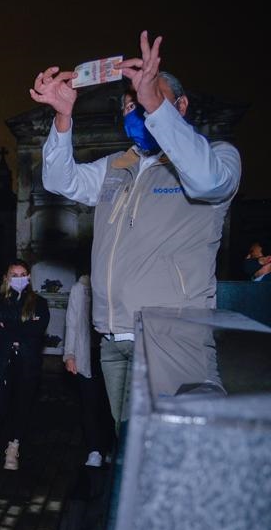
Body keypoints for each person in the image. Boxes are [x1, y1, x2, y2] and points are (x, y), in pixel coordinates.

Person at [31, 30, 242, 432]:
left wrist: (155, 107)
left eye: (149, 98)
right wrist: (62, 119)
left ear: (179, 106)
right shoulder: (118, 165)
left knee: (176, 447)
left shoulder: (216, 156)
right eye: (132, 102)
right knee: (129, 450)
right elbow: (62, 180)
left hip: (173, 338)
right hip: (113, 338)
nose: (137, 108)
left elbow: (209, 182)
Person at [0, 260, 50, 471]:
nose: (19, 278)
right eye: (14, 275)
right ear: (6, 278)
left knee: (22, 406)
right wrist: (20, 330)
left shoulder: (39, 303)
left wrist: (10, 329)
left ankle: (13, 447)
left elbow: (37, 330)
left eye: (23, 274)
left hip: (28, 364)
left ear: (29, 277)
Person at [62, 274, 110, 467]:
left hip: (111, 352)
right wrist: (69, 354)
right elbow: (71, 323)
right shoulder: (79, 288)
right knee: (90, 405)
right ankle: (94, 450)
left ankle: (111, 448)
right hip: (87, 354)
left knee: (110, 406)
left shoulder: (113, 282)